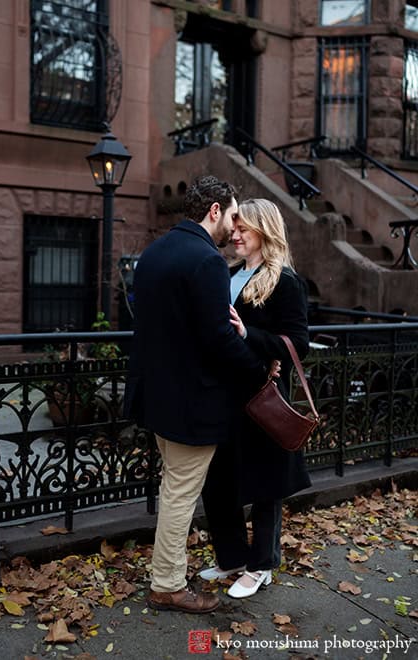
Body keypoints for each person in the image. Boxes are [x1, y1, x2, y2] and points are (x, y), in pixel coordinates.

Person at [123, 176, 266, 613]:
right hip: (192, 402)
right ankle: (166, 583)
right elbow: (218, 338)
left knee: (174, 488)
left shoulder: (153, 253)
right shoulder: (206, 261)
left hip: (157, 397)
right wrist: (257, 368)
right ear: (215, 210)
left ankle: (165, 575)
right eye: (233, 214)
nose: (233, 226)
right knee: (180, 494)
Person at [200, 198, 312, 598]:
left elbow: (299, 343)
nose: (235, 235)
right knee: (218, 481)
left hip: (262, 396)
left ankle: (262, 565)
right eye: (235, 228)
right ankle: (231, 558)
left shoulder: (285, 280)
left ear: (265, 230)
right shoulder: (227, 273)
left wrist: (251, 336)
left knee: (266, 482)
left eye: (243, 229)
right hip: (223, 395)